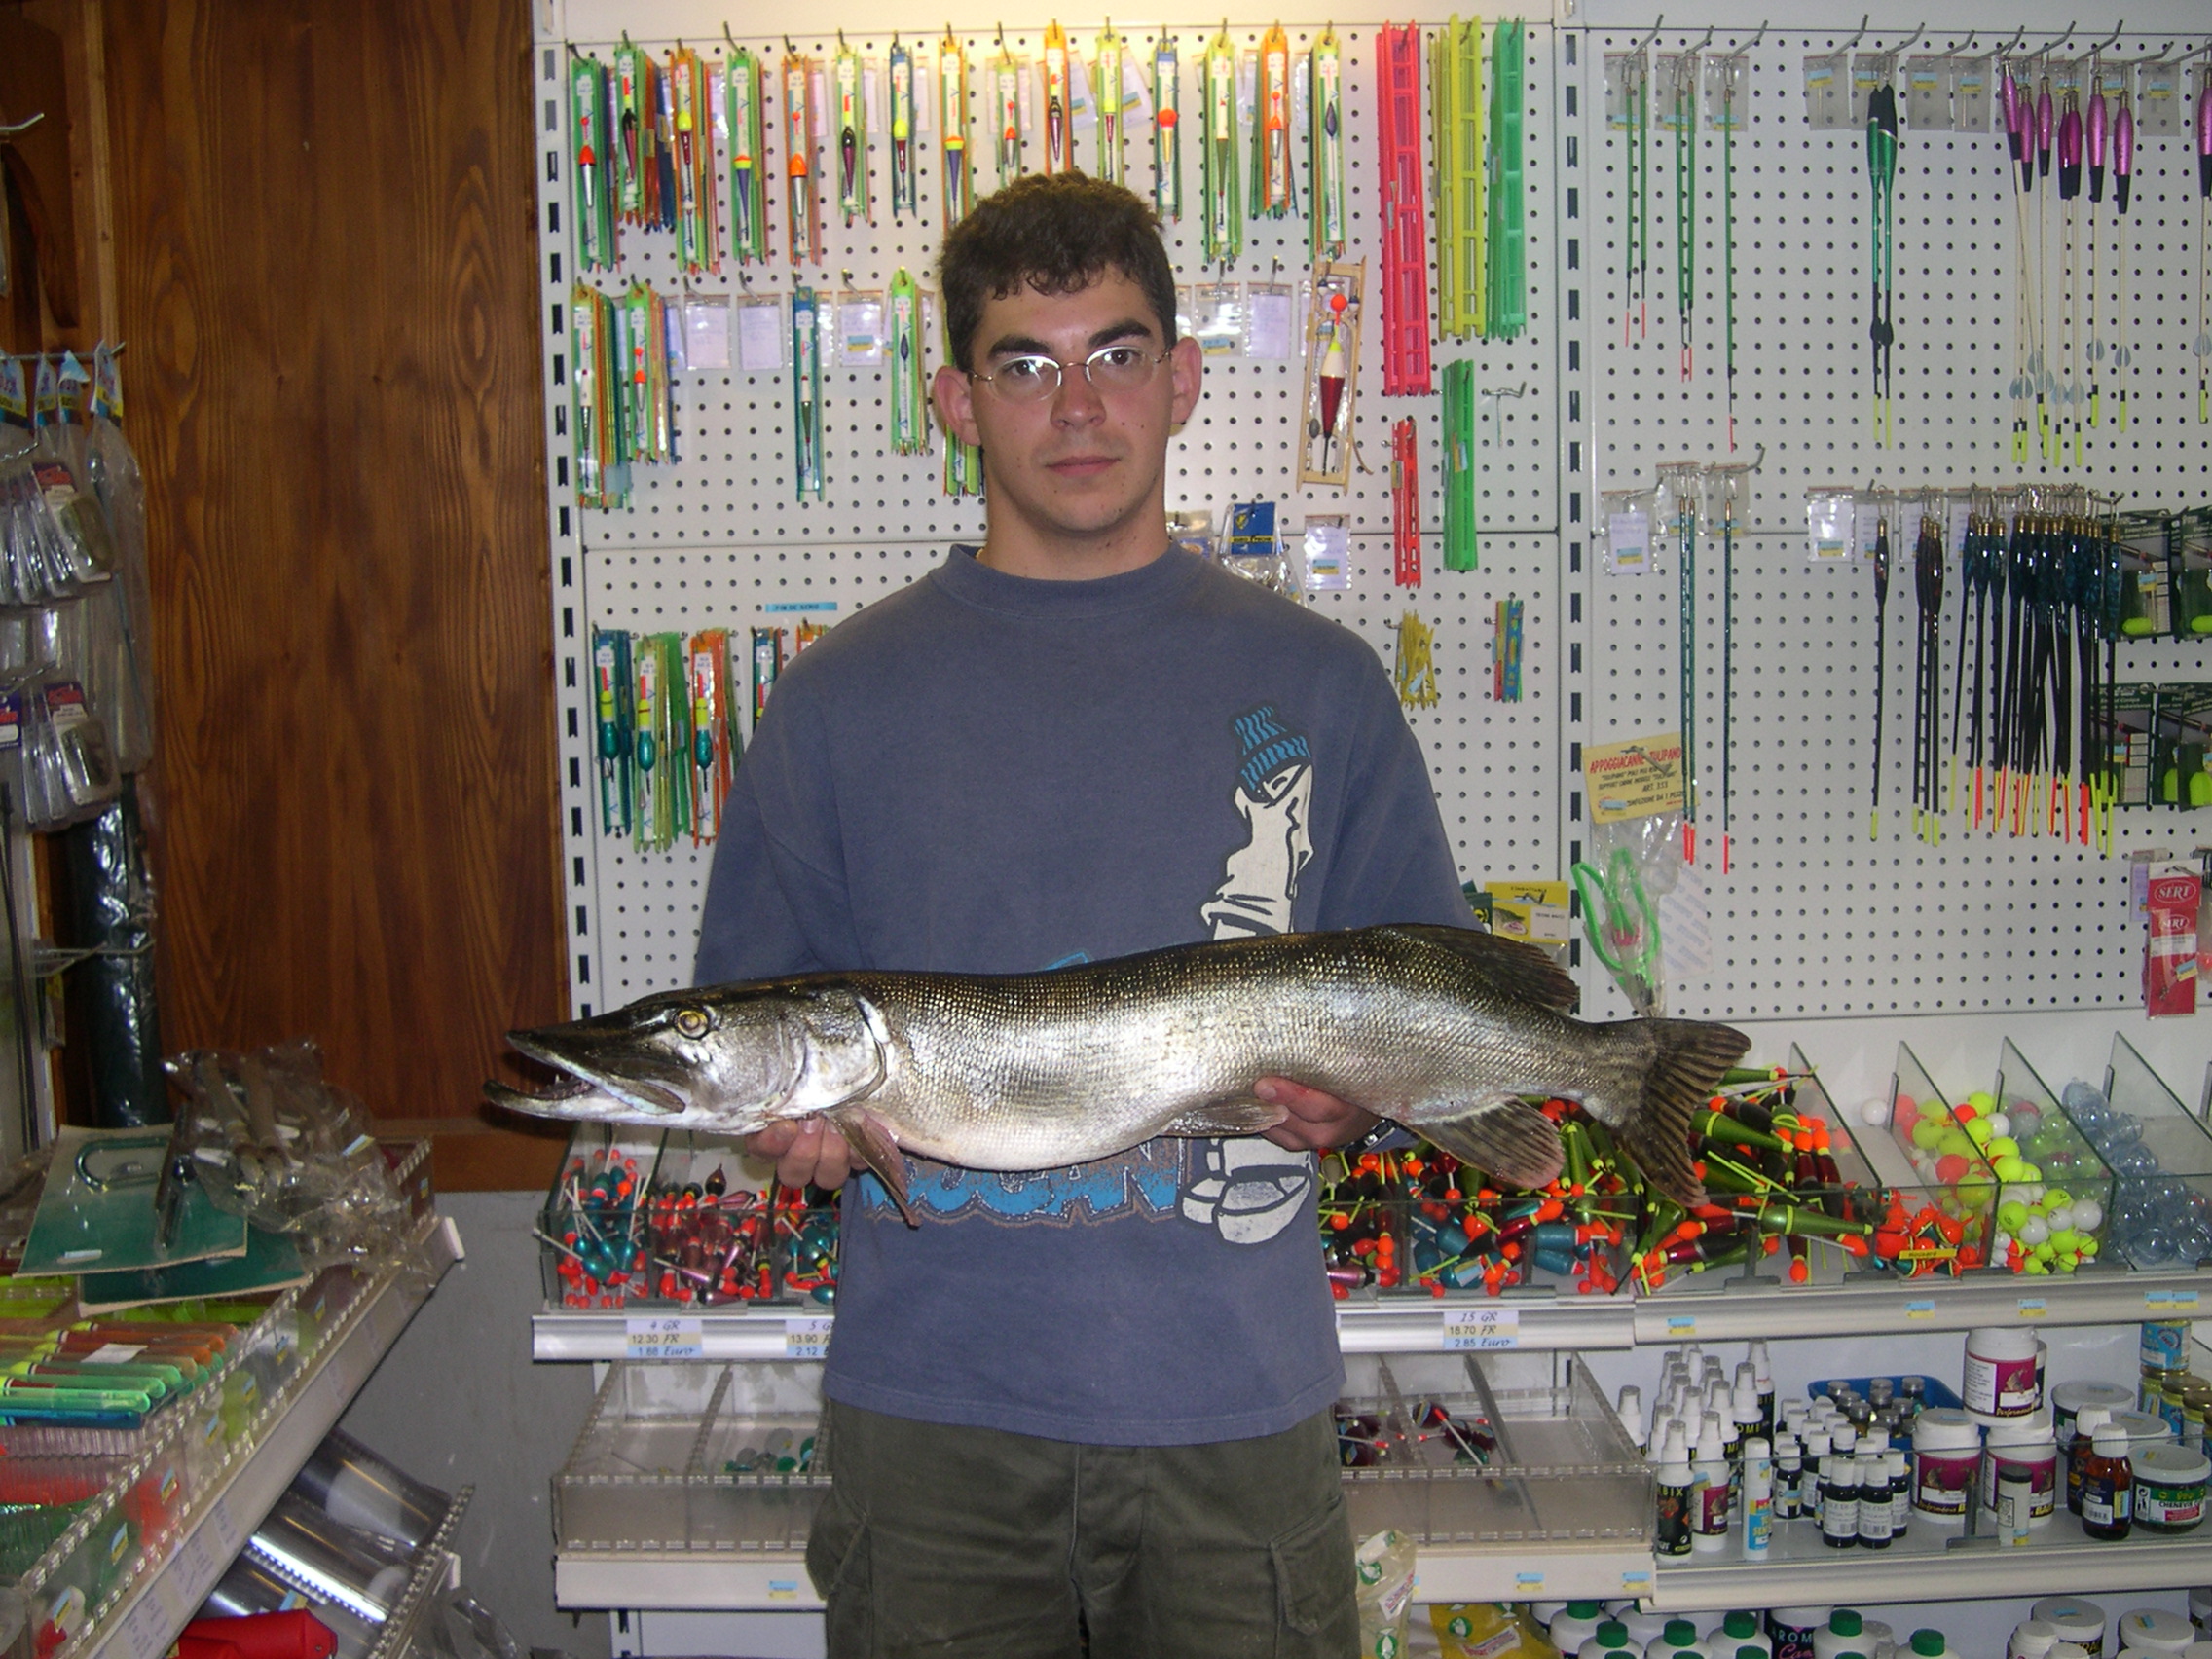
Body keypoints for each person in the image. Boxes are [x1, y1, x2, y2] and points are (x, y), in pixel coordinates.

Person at [694, 171, 1472, 1656]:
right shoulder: (833, 706)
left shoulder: (1323, 686)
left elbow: (1424, 1005)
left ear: (1182, 381)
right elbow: (756, 1047)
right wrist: (789, 1133)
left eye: (1116, 354)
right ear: (956, 403)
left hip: (1233, 1413)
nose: (1078, 407)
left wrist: (1363, 1100)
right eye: (1025, 366)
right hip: (935, 1428)